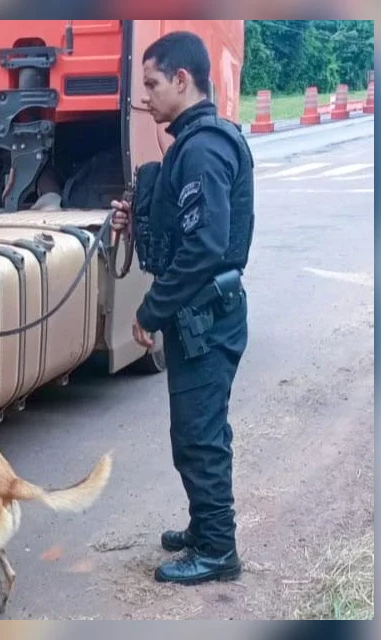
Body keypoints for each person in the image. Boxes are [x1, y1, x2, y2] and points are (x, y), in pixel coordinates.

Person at [110, 30, 255, 585]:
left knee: (200, 437)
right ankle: (205, 529)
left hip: (205, 316)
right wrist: (138, 216)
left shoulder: (203, 148)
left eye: (151, 83)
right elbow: (184, 226)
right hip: (202, 315)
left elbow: (205, 246)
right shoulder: (195, 142)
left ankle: (219, 550)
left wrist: (151, 311)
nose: (145, 96)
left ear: (181, 80)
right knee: (197, 431)